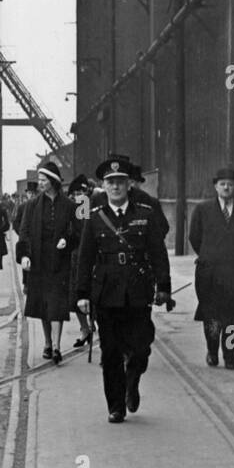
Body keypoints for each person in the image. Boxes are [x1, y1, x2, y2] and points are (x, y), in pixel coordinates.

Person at [75, 157, 171, 423]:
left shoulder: (144, 214)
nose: (115, 187)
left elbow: (158, 253)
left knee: (140, 348)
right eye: (110, 182)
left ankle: (132, 381)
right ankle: (116, 406)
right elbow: (84, 258)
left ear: (129, 184)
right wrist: (81, 294)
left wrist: (164, 286)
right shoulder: (94, 218)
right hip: (106, 293)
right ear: (103, 186)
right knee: (111, 352)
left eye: (120, 182)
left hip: (138, 291)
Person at [189, 167, 234, 369]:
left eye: (230, 184)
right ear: (215, 186)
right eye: (222, 184)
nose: (226, 187)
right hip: (209, 273)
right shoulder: (203, 210)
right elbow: (195, 238)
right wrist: (210, 256)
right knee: (212, 316)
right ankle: (212, 351)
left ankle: (231, 357)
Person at [16, 161, 78, 364]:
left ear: (52, 181)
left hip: (60, 262)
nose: (40, 183)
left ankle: (58, 346)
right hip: (39, 262)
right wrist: (24, 255)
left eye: (43, 180)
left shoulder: (69, 206)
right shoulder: (32, 206)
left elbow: (78, 231)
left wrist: (67, 241)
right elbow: (24, 232)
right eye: (40, 180)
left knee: (57, 304)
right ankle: (48, 342)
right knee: (43, 305)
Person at [66, 174, 95, 347]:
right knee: (78, 296)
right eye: (76, 192)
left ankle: (88, 328)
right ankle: (86, 328)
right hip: (78, 256)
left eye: (81, 191)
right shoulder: (82, 204)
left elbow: (83, 232)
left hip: (87, 255)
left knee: (84, 295)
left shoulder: (85, 203)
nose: (79, 195)